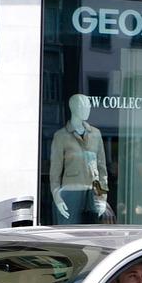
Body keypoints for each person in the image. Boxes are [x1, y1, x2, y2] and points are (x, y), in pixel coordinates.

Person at [50, 94, 111, 224]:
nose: (88, 109)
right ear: (74, 108)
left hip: (92, 193)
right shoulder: (61, 136)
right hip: (70, 194)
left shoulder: (95, 134)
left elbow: (102, 169)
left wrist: (102, 198)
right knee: (70, 235)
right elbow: (55, 173)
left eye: (89, 106)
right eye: (84, 106)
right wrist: (58, 198)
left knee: (92, 235)